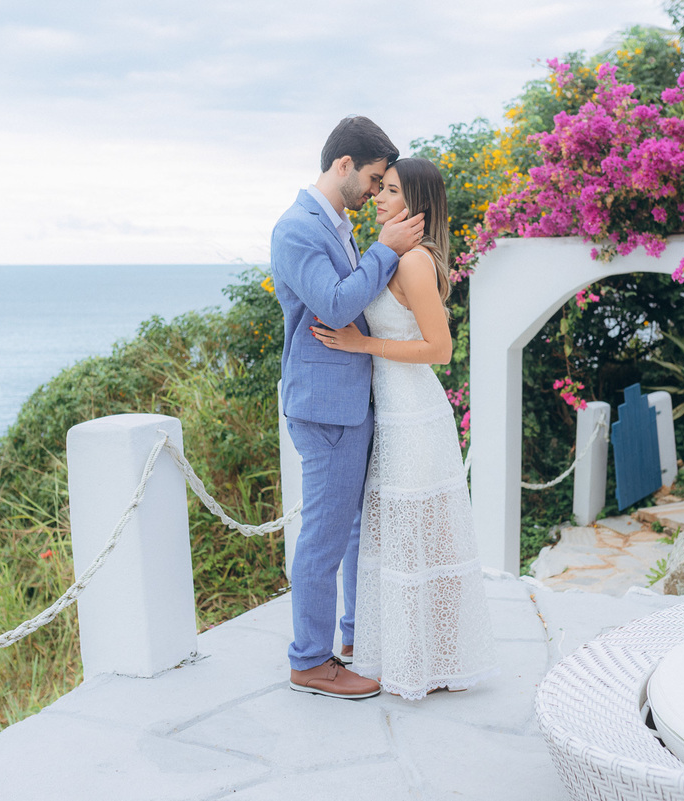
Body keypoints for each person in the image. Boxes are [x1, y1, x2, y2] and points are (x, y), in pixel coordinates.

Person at [309, 158, 498, 700]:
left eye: (391, 191)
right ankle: (417, 655)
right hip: (391, 412)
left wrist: (363, 344)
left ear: (416, 203)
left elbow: (441, 350)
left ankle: (436, 660)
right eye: (381, 188)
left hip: (414, 414)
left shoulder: (414, 261)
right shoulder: (391, 255)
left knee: (425, 538)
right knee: (405, 541)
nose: (379, 198)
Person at [271, 116, 425, 699]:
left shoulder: (337, 225)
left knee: (357, 528)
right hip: (325, 406)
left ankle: (358, 639)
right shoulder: (297, 229)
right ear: (344, 165)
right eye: (374, 178)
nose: (376, 190)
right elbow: (335, 306)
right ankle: (310, 661)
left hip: (351, 400)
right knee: (325, 536)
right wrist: (386, 251)